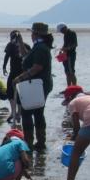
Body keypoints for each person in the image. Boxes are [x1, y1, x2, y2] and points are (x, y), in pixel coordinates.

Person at [13, 22, 53, 150]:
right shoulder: (39, 46)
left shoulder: (40, 48)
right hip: (38, 85)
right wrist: (20, 41)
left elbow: (37, 67)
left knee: (27, 113)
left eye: (32, 33)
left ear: (35, 34)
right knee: (38, 113)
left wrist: (20, 78)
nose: (31, 35)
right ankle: (40, 143)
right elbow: (26, 56)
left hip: (37, 85)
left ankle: (29, 143)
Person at [54, 85, 90, 180]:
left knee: (75, 152)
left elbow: (76, 127)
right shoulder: (88, 97)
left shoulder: (73, 103)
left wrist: (73, 139)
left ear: (69, 97)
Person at [3, 30, 30, 123]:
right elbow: (7, 56)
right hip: (17, 72)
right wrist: (4, 67)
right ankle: (14, 112)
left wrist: (4, 67)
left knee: (17, 92)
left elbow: (29, 58)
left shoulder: (24, 46)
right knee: (11, 91)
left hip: (21, 73)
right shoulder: (11, 45)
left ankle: (18, 112)